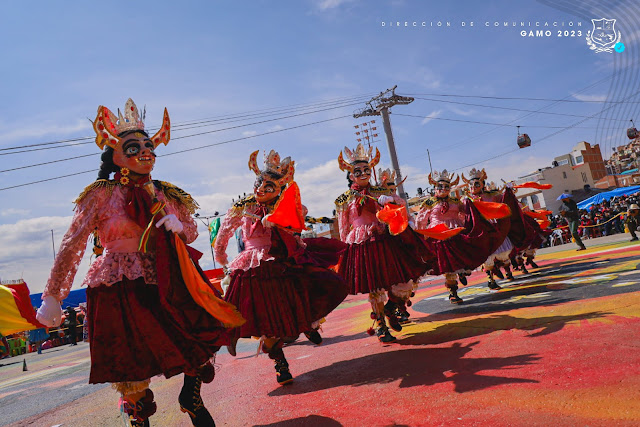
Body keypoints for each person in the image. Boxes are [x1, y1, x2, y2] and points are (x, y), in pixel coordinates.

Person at [36, 99, 241, 427]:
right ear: (115, 154)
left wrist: (178, 225)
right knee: (131, 364)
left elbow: (190, 231)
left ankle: (191, 395)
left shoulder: (166, 193)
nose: (145, 153)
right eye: (134, 147)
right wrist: (54, 294)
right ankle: (138, 417)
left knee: (198, 336)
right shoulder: (101, 194)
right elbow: (72, 243)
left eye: (149, 146)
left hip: (169, 276)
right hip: (120, 284)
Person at [214, 149, 348, 385]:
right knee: (266, 319)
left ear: (279, 188)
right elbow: (223, 234)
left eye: (269, 187)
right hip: (253, 265)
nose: (261, 190)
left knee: (300, 300)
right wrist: (222, 257)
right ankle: (279, 361)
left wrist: (277, 222)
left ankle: (308, 324)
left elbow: (295, 228)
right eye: (259, 184)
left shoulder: (288, 205)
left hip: (283, 260)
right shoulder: (241, 207)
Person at [335, 144, 436, 342]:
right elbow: (343, 226)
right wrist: (344, 250)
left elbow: (399, 207)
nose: (363, 173)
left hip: (385, 237)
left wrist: (390, 199)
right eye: (358, 171)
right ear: (350, 175)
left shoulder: (380, 190)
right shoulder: (343, 199)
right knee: (375, 288)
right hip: (361, 243)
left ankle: (392, 308)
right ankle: (381, 326)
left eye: (366, 170)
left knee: (404, 280)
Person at [415, 169, 509, 304]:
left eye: (447, 186)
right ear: (434, 187)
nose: (443, 189)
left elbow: (468, 212)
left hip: (457, 232)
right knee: (448, 265)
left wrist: (476, 207)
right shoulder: (429, 203)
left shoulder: (456, 200)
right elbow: (421, 220)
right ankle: (452, 292)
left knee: (464, 257)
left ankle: (463, 272)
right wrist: (421, 236)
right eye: (440, 186)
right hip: (439, 235)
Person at [462, 168, 514, 289]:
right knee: (486, 256)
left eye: (476, 184)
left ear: (482, 185)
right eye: (471, 184)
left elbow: (503, 200)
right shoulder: (466, 200)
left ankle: (506, 268)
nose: (473, 186)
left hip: (493, 227)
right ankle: (490, 280)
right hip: (479, 231)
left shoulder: (491, 196)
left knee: (503, 254)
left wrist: (508, 189)